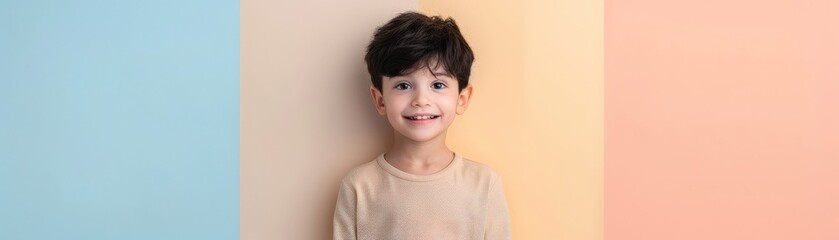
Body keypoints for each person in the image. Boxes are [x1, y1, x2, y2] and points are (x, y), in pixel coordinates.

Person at [332, 11, 512, 239]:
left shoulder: (484, 184)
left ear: (461, 99)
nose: (421, 100)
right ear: (380, 100)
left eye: (437, 85)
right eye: (403, 85)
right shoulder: (358, 187)